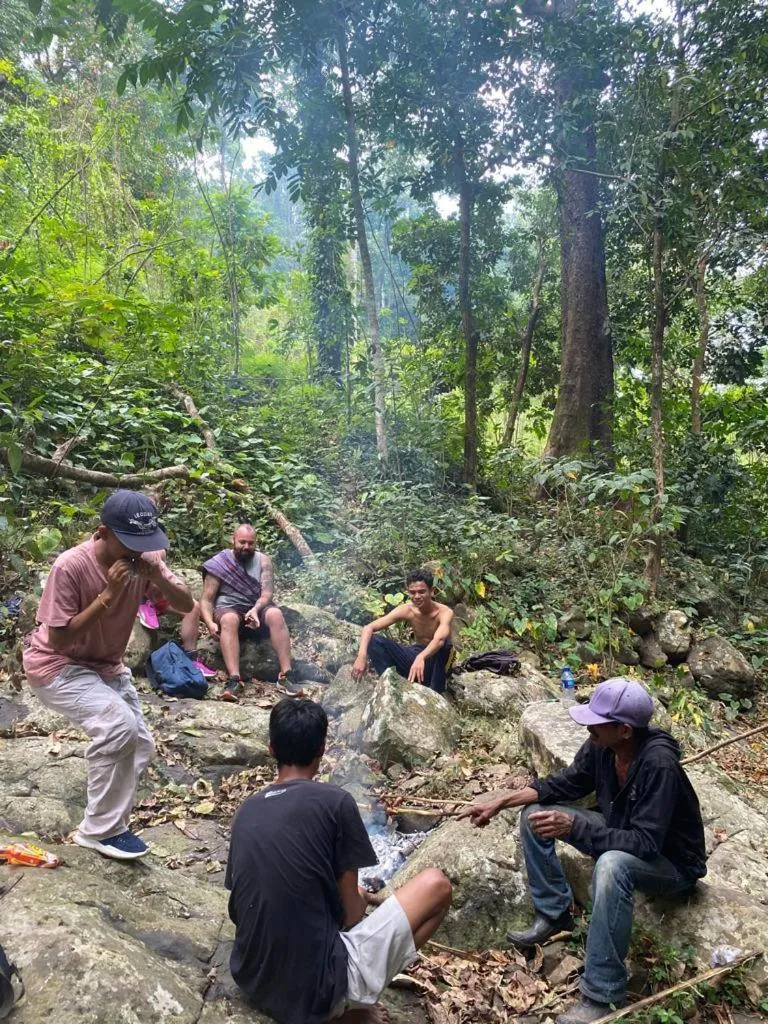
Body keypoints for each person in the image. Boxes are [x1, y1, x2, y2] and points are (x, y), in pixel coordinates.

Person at [458, 678, 707, 1024]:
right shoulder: (603, 747)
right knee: (535, 816)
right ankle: (554, 912)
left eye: (597, 720)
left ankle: (602, 994)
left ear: (623, 730)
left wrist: (576, 827)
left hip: (672, 864)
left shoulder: (658, 764)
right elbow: (566, 782)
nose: (588, 725)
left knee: (612, 865)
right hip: (623, 833)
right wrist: (501, 800)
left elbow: (646, 843)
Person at [226, 697, 452, 1024]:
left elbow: (243, 905)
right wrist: (355, 899)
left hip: (253, 979)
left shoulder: (246, 811)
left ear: (272, 749)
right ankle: (351, 1007)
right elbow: (350, 914)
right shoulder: (336, 803)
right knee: (437, 886)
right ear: (322, 748)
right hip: (316, 992)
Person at [22, 490, 194, 860]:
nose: (136, 552)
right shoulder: (70, 566)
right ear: (103, 533)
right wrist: (108, 594)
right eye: (129, 543)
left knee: (140, 744)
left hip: (105, 665)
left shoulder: (144, 560)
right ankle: (99, 831)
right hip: (57, 664)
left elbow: (186, 605)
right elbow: (59, 636)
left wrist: (158, 579)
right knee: (118, 726)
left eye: (143, 543)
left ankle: (113, 824)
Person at [192, 524, 296, 700]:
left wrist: (255, 610)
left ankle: (286, 675)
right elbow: (207, 599)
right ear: (233, 540)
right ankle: (234, 679)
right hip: (229, 609)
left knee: (275, 614)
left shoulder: (264, 561)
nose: (246, 547)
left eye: (250, 543)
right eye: (242, 542)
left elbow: (267, 594)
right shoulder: (220, 563)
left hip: (257, 609)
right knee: (230, 619)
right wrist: (209, 623)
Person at [351, 569, 455, 693]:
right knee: (374, 641)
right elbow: (369, 628)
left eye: (422, 592)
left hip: (438, 660)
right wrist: (361, 656)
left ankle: (435, 692)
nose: (417, 596)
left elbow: (439, 640)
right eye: (412, 592)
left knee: (444, 646)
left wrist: (421, 657)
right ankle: (390, 685)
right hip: (417, 653)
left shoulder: (444, 612)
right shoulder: (407, 610)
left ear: (432, 591)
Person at [136, 552, 215, 678]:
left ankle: (191, 658)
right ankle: (143, 602)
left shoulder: (158, 547)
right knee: (148, 554)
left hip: (158, 595)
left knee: (193, 607)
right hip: (133, 591)